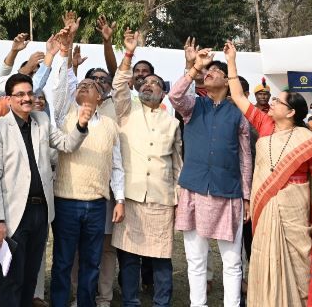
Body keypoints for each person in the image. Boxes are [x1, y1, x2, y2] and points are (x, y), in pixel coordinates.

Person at [225, 42, 312, 307]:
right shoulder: (265, 123)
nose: (270, 102)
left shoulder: (307, 139)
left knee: (297, 268)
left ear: (292, 111)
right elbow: (238, 97)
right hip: (265, 206)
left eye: (277, 101)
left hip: (295, 211)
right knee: (263, 260)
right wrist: (232, 62)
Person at [0, 72, 91, 307]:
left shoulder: (41, 120)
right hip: (11, 215)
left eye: (30, 93)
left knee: (31, 276)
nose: (27, 98)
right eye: (20, 94)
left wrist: (81, 124)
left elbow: (66, 144)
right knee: (11, 278)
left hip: (41, 213)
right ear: (8, 99)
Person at [46, 25, 125, 307]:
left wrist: (120, 199)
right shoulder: (63, 115)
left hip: (96, 204)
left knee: (92, 262)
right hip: (66, 202)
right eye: (81, 84)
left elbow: (117, 167)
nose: (84, 86)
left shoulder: (109, 125)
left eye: (91, 85)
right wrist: (65, 54)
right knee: (64, 261)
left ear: (101, 98)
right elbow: (58, 88)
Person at [170, 47, 252, 307]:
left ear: (228, 82)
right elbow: (174, 95)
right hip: (194, 190)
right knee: (196, 260)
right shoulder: (194, 106)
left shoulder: (238, 113)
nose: (211, 72)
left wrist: (247, 196)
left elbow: (245, 157)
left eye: (217, 71)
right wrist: (195, 67)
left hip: (229, 193)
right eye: (209, 70)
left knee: (232, 261)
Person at [111, 30, 182, 307]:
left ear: (163, 92)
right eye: (145, 82)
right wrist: (129, 53)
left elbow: (177, 164)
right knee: (128, 258)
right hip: (130, 199)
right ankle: (131, 302)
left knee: (162, 258)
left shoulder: (172, 123)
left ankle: (161, 302)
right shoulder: (126, 111)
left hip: (162, 200)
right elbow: (118, 85)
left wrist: (178, 198)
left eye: (155, 83)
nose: (148, 85)